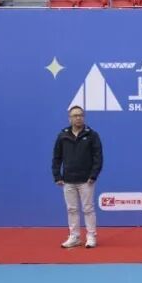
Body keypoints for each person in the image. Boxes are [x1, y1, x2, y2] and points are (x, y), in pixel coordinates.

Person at [52, 106, 103, 249]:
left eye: (80, 115)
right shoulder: (63, 135)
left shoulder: (92, 135)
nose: (78, 118)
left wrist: (93, 175)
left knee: (88, 209)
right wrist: (57, 176)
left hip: (86, 180)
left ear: (84, 117)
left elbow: (98, 157)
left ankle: (91, 236)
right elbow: (57, 157)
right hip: (68, 180)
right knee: (72, 209)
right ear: (69, 118)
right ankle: (74, 236)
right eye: (75, 115)